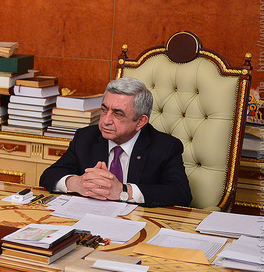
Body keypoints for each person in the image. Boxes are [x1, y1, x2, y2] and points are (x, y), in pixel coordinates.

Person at [39, 77, 192, 207]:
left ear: (140, 121)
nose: (106, 121)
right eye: (104, 110)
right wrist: (78, 183)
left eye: (117, 114)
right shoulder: (86, 138)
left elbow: (181, 194)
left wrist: (123, 191)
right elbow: (49, 176)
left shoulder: (165, 147)